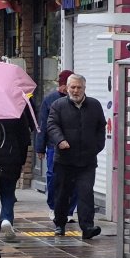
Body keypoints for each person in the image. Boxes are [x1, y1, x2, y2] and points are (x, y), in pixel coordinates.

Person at [46, 73, 106, 239]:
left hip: (87, 160)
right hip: (65, 159)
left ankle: (87, 227)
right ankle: (60, 224)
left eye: (79, 87)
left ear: (84, 88)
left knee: (86, 193)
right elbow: (51, 126)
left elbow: (101, 127)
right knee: (62, 193)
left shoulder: (94, 105)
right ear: (67, 88)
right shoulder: (58, 105)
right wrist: (60, 141)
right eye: (73, 87)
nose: (76, 90)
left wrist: (96, 147)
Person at [35, 70, 75, 220]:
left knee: (74, 179)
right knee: (54, 177)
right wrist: (40, 146)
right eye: (66, 85)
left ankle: (69, 210)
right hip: (53, 146)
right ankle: (53, 207)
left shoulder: (78, 100)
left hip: (74, 147)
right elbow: (43, 124)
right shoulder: (50, 100)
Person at [0, 115, 34, 242]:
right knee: (8, 192)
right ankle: (6, 218)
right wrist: (22, 161)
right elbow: (24, 138)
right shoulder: (16, 110)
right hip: (11, 157)